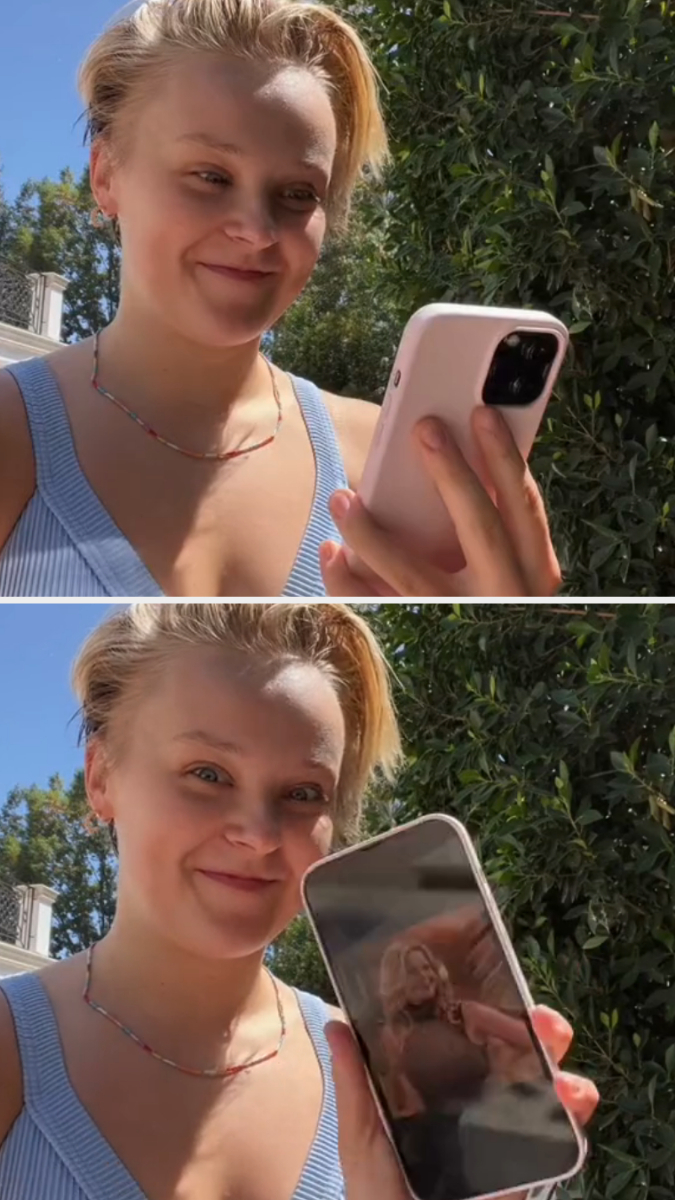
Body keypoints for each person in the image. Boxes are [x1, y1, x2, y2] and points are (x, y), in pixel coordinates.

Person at [0, 603, 597, 1200]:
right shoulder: (14, 1048)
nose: (258, 834)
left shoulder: (386, 1086)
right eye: (207, 774)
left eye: (304, 793)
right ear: (101, 776)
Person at [0, 0, 563, 599]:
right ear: (106, 174)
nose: (258, 230)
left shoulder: (386, 460)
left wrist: (508, 611)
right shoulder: (14, 434)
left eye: (298, 193)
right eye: (210, 176)